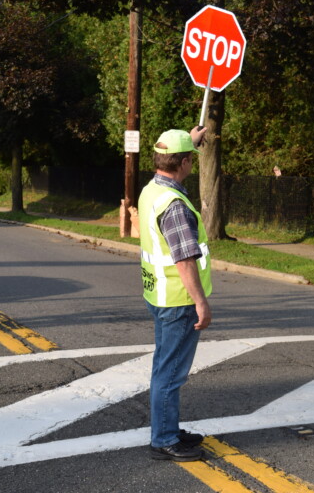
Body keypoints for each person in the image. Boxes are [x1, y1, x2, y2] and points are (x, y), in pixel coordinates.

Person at [138, 126, 211, 462]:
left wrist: (189, 142)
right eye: (190, 159)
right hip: (179, 300)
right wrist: (200, 301)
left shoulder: (152, 190)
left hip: (158, 295)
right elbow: (184, 259)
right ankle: (164, 438)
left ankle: (166, 428)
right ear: (182, 163)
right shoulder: (175, 204)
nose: (192, 165)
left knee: (162, 368)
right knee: (171, 373)